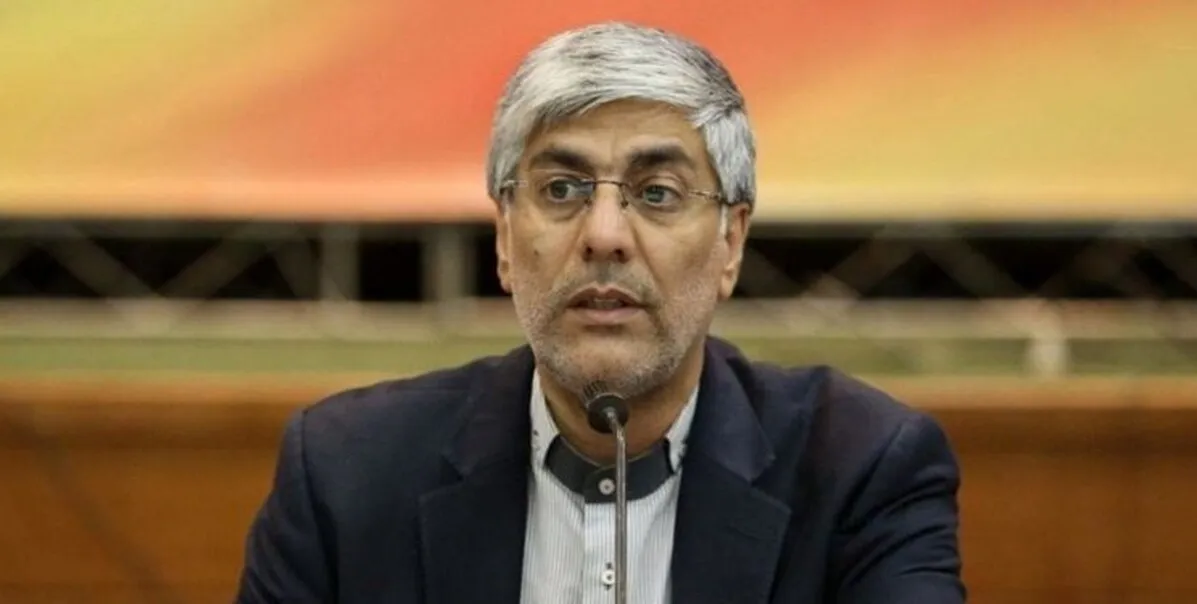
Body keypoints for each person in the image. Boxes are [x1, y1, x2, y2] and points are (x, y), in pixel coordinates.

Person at [236, 21, 965, 604]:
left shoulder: (861, 469)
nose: (605, 235)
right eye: (561, 189)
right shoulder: (345, 473)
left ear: (730, 243)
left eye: (657, 194)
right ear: (504, 239)